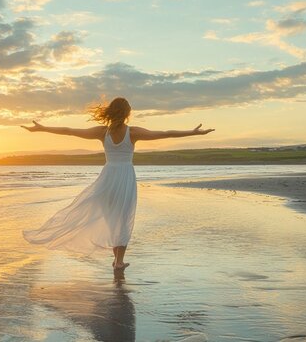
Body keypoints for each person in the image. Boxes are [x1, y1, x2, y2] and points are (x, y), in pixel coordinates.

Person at [21, 97, 214, 270]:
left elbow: (69, 131)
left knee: (112, 219)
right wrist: (193, 133)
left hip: (107, 177)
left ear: (112, 112)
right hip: (125, 176)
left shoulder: (101, 132)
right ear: (127, 113)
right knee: (124, 218)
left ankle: (117, 260)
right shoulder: (133, 132)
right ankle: (118, 261)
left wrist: (43, 128)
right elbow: (165, 133)